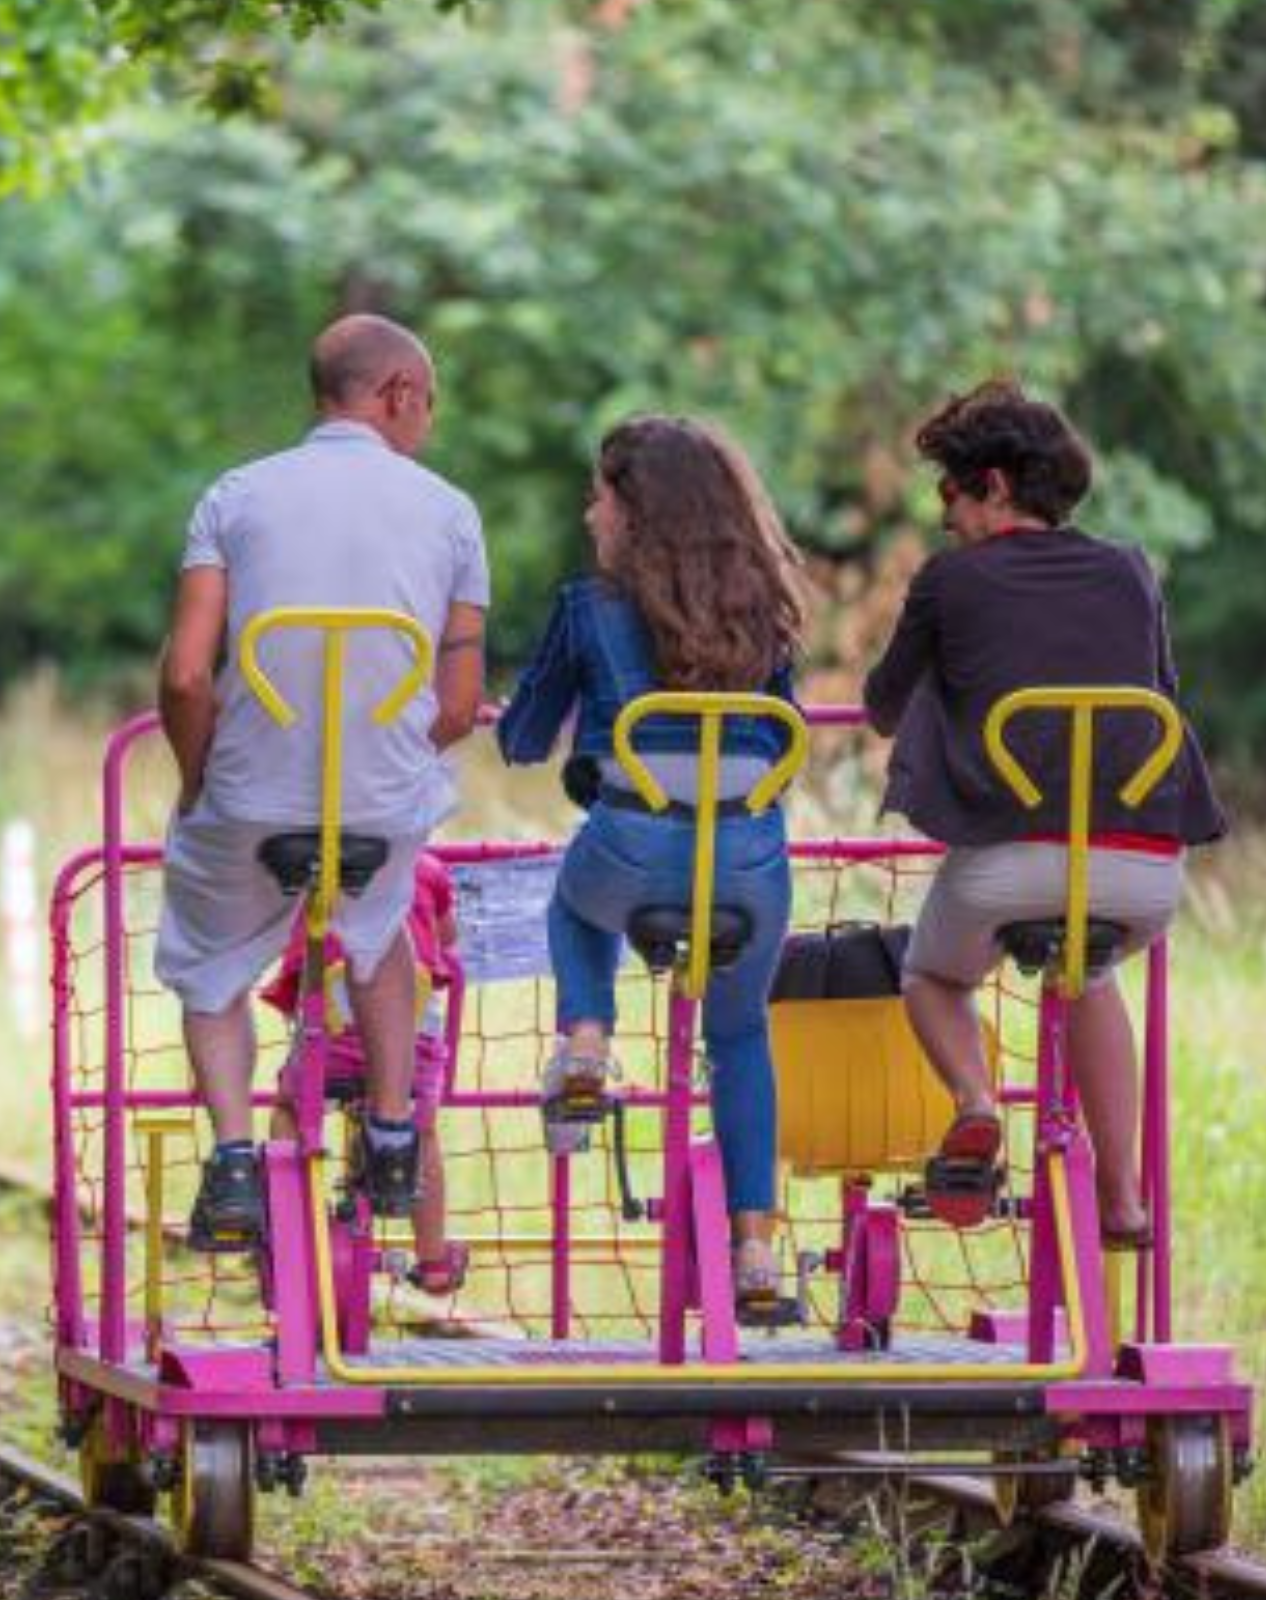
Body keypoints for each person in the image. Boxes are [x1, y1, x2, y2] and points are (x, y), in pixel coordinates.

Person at [862, 380, 1227, 1248]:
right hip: (1144, 866)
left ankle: (977, 1101)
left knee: (932, 977)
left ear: (991, 486)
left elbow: (881, 705)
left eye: (948, 493)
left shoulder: (949, 582)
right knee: (1089, 971)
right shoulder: (1133, 569)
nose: (944, 516)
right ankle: (1124, 1197)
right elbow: (1156, 695)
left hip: (1012, 858)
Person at [156, 313, 490, 1252]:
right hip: (379, 805)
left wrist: (197, 784)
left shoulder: (234, 495)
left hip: (248, 797)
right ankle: (390, 1134)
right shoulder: (451, 511)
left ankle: (230, 1160)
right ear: (395, 395)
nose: (427, 420)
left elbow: (184, 676)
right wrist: (391, 755)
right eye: (426, 401)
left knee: (211, 964)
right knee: (382, 932)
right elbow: (457, 704)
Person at [496, 415, 809, 1322]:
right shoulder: (766, 607)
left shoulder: (588, 605)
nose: (589, 514)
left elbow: (522, 738)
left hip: (631, 839)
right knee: (742, 1035)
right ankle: (755, 1250)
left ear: (635, 510)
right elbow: (782, 723)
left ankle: (587, 1043)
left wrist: (515, 719)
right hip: (750, 854)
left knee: (573, 909)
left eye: (599, 496)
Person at [260, 853, 467, 1292]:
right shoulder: (426, 868)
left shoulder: (308, 867)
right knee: (420, 1131)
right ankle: (433, 1260)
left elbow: (289, 942)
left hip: (332, 1040)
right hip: (409, 1045)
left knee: (290, 1109)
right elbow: (449, 938)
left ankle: (292, 1229)